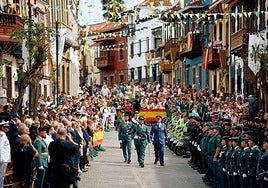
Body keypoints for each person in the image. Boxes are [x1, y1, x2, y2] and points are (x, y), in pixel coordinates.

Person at [0, 119, 11, 188]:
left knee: (1, 176)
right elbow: (0, 147)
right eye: (6, 127)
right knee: (1, 176)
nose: (8, 128)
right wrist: (1, 159)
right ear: (2, 127)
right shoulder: (1, 135)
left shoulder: (3, 135)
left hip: (3, 159)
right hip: (2, 159)